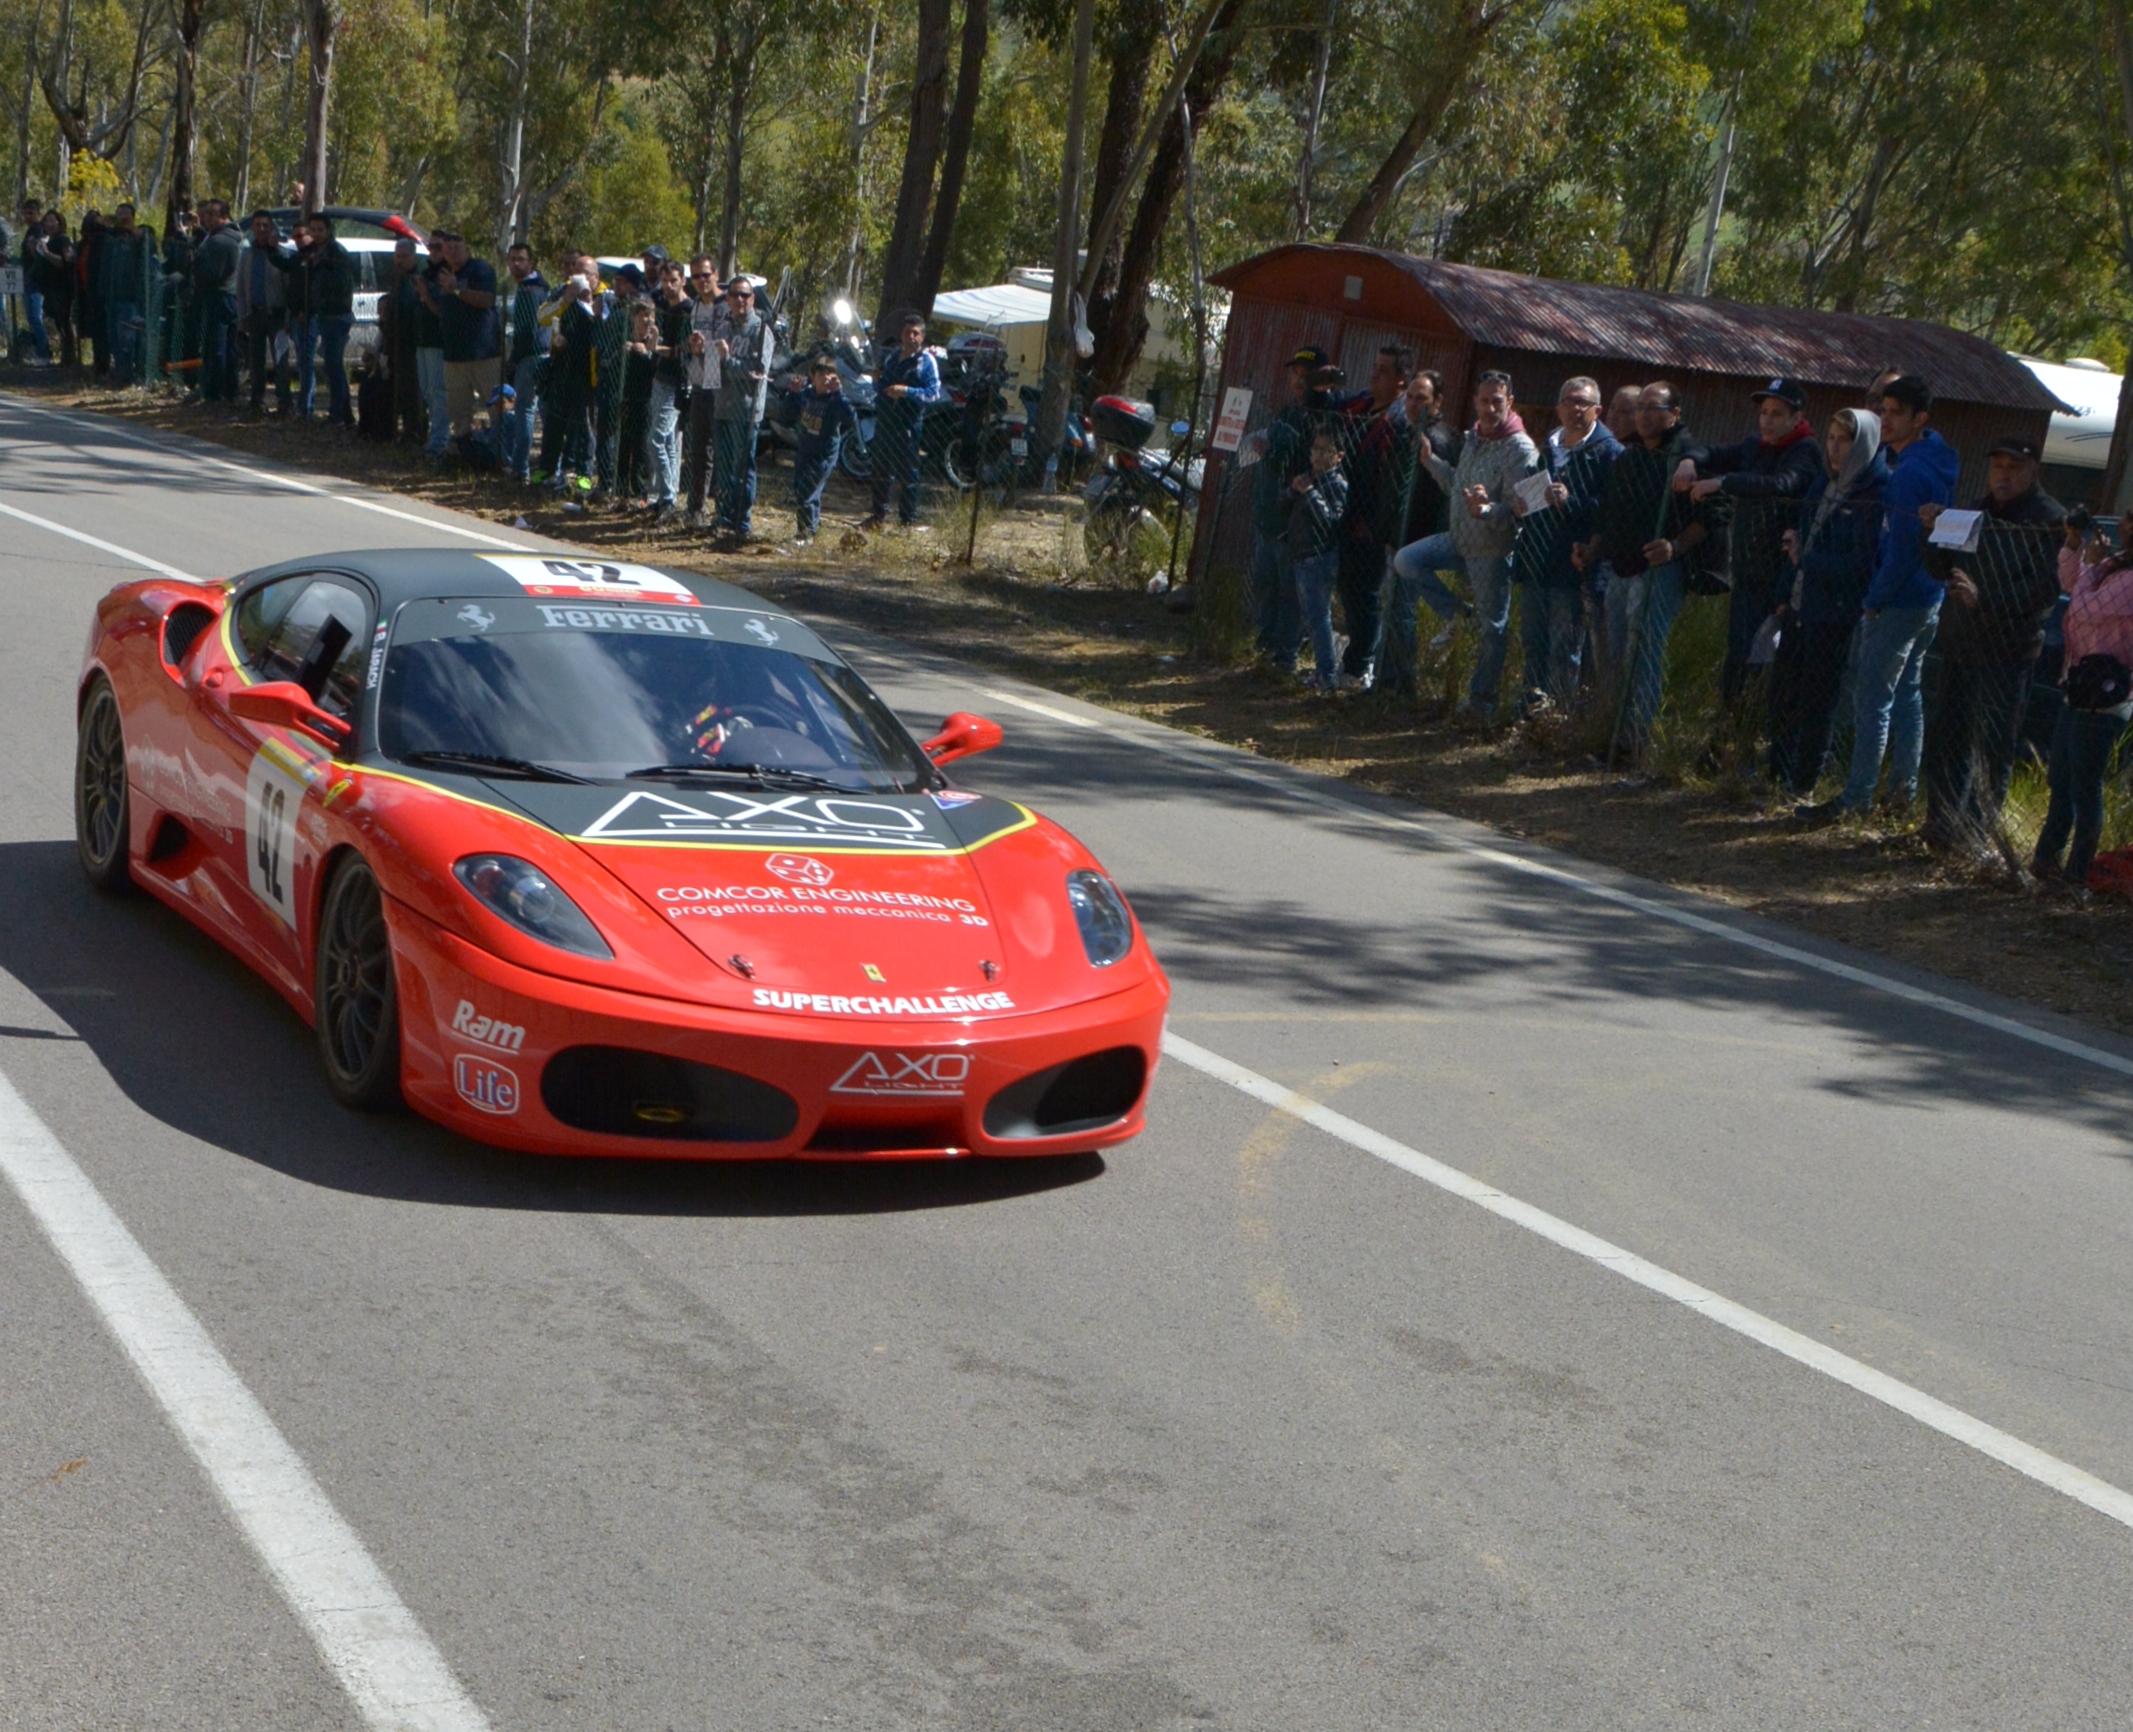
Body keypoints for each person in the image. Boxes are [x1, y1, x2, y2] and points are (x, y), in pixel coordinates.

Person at [1800, 375, 1959, 820]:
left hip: (1902, 599)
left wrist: (1874, 598)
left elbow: (1903, 549)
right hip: (1928, 596)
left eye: (1896, 413)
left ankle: (1858, 796)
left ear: (1919, 419)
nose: (1885, 420)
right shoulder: (1934, 459)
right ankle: (1901, 791)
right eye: (1883, 411)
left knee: (1873, 698)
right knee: (1907, 692)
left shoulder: (1909, 473)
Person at [1918, 434, 2065, 853]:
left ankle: (1977, 833)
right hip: (1961, 643)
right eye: (1997, 465)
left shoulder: (2048, 520)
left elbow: (2044, 590)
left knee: (1992, 743)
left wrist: (1986, 600)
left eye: (2014, 467)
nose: (2003, 474)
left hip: (2008, 650)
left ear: (2033, 469)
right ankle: (1941, 824)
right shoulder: (1974, 512)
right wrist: (1929, 530)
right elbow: (1936, 566)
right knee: (1949, 737)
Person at [1385, 370, 1539, 714]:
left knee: (1492, 629)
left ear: (1509, 402)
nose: (1489, 408)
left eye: (1496, 401)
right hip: (1458, 538)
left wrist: (1487, 509)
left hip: (1490, 549)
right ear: (1474, 402)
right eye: (1483, 401)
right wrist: (1431, 463)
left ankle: (1481, 702)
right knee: (1407, 561)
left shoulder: (1520, 448)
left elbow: (1520, 508)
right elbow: (1458, 485)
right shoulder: (1472, 438)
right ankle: (1456, 613)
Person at [1676, 376, 1823, 704]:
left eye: (1776, 414)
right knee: (1738, 659)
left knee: (1768, 666)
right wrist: (1689, 461)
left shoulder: (1805, 451)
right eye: (1764, 413)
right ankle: (1727, 733)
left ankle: (1752, 736)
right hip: (1747, 573)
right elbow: (1711, 451)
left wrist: (1722, 482)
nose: (1767, 421)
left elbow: (1781, 483)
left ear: (1796, 418)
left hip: (1783, 579)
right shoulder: (1756, 446)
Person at [1579, 381, 1710, 749]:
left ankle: (1638, 742)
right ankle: (1610, 734)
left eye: (1654, 408)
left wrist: (1675, 546)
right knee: (1615, 654)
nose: (1644, 416)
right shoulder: (1632, 456)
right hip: (1620, 567)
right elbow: (1610, 514)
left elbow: (1714, 515)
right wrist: (1593, 548)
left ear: (1675, 414)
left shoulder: (1687, 456)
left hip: (1658, 572)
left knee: (1644, 654)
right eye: (1641, 409)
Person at [1767, 409, 1887, 795]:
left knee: (1818, 702)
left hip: (1834, 612)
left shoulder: (1875, 493)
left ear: (1864, 444)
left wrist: (1809, 561)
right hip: (1799, 604)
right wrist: (1784, 594)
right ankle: (1775, 774)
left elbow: (1861, 563)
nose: (1835, 448)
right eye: (1831, 438)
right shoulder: (1822, 484)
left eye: (1845, 440)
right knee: (1784, 694)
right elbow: (1799, 540)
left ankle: (1802, 783)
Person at [2034, 512, 2133, 887]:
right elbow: (2070, 582)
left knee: (2084, 784)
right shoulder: (2114, 564)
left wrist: (2091, 566)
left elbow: (2085, 607)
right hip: (2079, 684)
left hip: (2108, 694)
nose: (2127, 527)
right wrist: (2074, 546)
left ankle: (2078, 874)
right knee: (2061, 777)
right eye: (2127, 518)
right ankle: (2046, 861)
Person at [1517, 375, 1620, 712]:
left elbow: (1612, 512)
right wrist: (1523, 503)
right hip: (1537, 557)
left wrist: (1572, 501)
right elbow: (1537, 495)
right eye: (1570, 401)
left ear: (1598, 410)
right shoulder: (1550, 444)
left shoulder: (1609, 453)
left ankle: (1557, 717)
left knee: (1564, 648)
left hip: (1575, 566)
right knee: (1533, 642)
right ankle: (1528, 713)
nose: (1576, 409)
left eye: (1583, 403)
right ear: (1559, 407)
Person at [1247, 346, 1329, 673]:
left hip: (1297, 520)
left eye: (1305, 375)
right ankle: (1264, 645)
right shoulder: (1287, 413)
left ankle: (1286, 655)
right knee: (1265, 581)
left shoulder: (1323, 419)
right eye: (1294, 373)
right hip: (1269, 512)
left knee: (1289, 591)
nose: (1298, 380)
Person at [1333, 345, 1410, 686]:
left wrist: (1376, 524)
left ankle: (1361, 664)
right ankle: (1353, 662)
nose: (1374, 373)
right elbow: (1330, 407)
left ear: (1401, 381)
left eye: (1384, 369)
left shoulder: (1399, 421)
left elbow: (1390, 481)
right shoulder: (1360, 406)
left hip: (1372, 523)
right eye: (1374, 366)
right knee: (1347, 589)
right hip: (1343, 513)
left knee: (1366, 594)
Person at [865, 310, 944, 529]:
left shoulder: (927, 361)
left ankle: (907, 521)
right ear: (901, 334)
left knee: (907, 474)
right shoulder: (892, 357)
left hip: (907, 425)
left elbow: (934, 393)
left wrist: (906, 391)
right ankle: (878, 517)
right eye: (907, 332)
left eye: (915, 333)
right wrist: (876, 381)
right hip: (885, 421)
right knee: (880, 471)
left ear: (922, 337)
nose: (911, 337)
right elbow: (880, 388)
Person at [277, 214, 355, 423]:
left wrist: (320, 265)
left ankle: (340, 415)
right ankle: (340, 413)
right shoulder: (315, 253)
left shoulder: (336, 253)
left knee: (334, 365)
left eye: (320, 229)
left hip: (337, 315)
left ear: (328, 230)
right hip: (322, 314)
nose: (317, 233)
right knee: (330, 366)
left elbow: (341, 284)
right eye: (313, 230)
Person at [711, 275, 774, 537]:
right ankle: (723, 516)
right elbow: (713, 367)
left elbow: (757, 372)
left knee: (743, 466)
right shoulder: (723, 328)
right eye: (735, 294)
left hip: (746, 411)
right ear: (727, 299)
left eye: (745, 295)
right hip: (722, 406)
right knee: (723, 466)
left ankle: (742, 523)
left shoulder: (761, 332)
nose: (740, 299)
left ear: (753, 299)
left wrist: (727, 361)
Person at [427, 231, 500, 453]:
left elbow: (487, 300)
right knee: (458, 411)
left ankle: (500, 453)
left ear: (466, 248)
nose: (451, 252)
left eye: (457, 247)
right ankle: (466, 452)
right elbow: (442, 310)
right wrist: (425, 295)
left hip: (483, 353)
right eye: (446, 249)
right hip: (453, 355)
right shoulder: (443, 273)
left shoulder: (480, 269)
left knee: (496, 405)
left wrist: (457, 288)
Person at [1289, 430, 1351, 692]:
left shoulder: (1336, 483)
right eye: (1315, 449)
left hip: (1320, 556)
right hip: (1303, 553)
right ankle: (1322, 671)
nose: (1317, 455)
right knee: (1311, 617)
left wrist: (1311, 493)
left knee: (1319, 617)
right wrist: (1295, 490)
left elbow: (1330, 520)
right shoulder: (1310, 477)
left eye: (1325, 451)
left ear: (1338, 456)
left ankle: (1327, 673)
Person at [538, 251, 601, 490]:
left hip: (589, 372)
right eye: (576, 272)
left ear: (595, 276)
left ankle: (584, 476)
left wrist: (587, 299)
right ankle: (545, 472)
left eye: (585, 273)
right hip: (561, 369)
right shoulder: (562, 291)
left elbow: (603, 322)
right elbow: (543, 318)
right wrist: (565, 301)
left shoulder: (605, 296)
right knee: (554, 424)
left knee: (585, 427)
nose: (579, 277)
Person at [790, 354, 859, 544]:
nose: (824, 380)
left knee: (806, 491)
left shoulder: (835, 400)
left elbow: (850, 418)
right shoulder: (806, 395)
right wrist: (792, 394)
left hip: (824, 454)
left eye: (829, 376)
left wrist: (838, 393)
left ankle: (806, 533)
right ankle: (813, 526)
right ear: (812, 376)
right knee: (802, 489)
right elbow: (785, 414)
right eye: (820, 375)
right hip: (804, 449)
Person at [681, 255, 726, 525]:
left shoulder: (728, 304)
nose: (701, 280)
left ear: (716, 275)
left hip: (722, 384)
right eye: (696, 276)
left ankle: (723, 511)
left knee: (721, 451)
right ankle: (696, 508)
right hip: (699, 381)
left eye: (705, 275)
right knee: (699, 450)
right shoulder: (696, 305)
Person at [498, 242, 547, 481]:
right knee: (540, 412)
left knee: (525, 411)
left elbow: (527, 331)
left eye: (521, 259)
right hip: (538, 355)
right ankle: (545, 468)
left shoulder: (531, 290)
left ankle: (520, 468)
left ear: (531, 262)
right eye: (512, 259)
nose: (516, 263)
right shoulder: (535, 286)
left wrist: (514, 360)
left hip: (533, 357)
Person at [646, 260, 691, 516]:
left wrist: (658, 349)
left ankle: (666, 494)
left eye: (674, 280)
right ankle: (668, 497)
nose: (669, 285)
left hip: (678, 382)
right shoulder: (663, 306)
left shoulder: (688, 310)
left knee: (656, 439)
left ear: (683, 280)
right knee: (670, 443)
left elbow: (683, 351)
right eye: (665, 280)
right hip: (660, 377)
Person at [190, 201, 243, 409]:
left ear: (224, 216)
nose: (207, 218)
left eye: (212, 214)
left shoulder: (221, 241)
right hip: (229, 296)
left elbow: (212, 274)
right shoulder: (222, 237)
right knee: (228, 347)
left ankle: (217, 392)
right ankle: (229, 390)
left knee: (218, 347)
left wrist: (195, 262)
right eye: (206, 214)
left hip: (221, 296)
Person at [98, 205, 152, 386]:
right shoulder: (110, 239)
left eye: (126, 213)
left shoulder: (138, 237)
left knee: (126, 339)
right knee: (113, 339)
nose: (122, 216)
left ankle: (128, 377)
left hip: (129, 298)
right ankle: (119, 373)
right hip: (110, 296)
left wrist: (132, 229)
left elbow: (150, 247)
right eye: (118, 212)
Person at [620, 298, 660, 502]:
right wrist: (626, 349)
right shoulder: (626, 338)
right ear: (634, 317)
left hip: (646, 398)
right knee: (623, 442)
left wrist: (649, 351)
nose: (648, 320)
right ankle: (619, 488)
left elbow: (656, 367)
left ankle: (640, 489)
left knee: (641, 444)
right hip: (625, 397)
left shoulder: (653, 342)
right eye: (644, 315)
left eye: (651, 315)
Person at [30, 212, 77, 369]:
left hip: (62, 287)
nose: (49, 224)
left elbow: (66, 261)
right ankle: (66, 356)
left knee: (64, 321)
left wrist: (47, 253)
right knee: (57, 321)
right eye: (46, 221)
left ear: (59, 222)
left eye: (53, 221)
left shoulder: (63, 240)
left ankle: (70, 357)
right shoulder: (46, 241)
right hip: (49, 287)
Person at [17, 200, 50, 362]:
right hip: (28, 280)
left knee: (35, 318)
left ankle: (44, 354)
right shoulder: (30, 230)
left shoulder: (38, 230)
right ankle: (39, 352)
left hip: (35, 282)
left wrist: (30, 274)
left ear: (38, 213)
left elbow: (38, 255)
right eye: (25, 213)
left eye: (31, 213)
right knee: (32, 318)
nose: (28, 216)